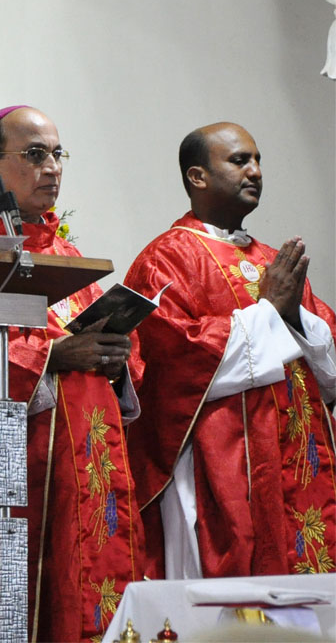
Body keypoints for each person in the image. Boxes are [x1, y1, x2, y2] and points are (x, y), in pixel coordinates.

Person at [0, 106, 145, 643]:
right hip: (12, 474)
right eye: (35, 155)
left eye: (57, 154)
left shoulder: (68, 257)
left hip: (87, 472)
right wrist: (55, 356)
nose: (52, 168)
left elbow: (126, 362)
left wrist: (116, 356)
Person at [125, 121, 336, 579]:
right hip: (222, 462)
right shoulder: (167, 258)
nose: (255, 171)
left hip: (295, 455)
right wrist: (267, 311)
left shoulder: (269, 260)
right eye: (240, 161)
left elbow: (327, 358)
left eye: (258, 161)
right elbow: (171, 359)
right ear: (197, 176)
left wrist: (292, 314)